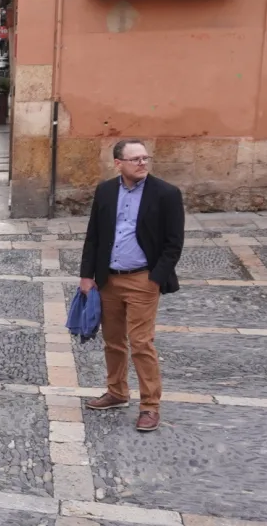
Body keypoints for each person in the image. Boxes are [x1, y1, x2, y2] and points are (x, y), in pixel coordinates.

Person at [79, 139, 184, 433]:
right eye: (135, 159)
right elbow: (94, 236)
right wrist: (87, 275)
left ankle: (150, 406)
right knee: (113, 341)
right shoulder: (106, 191)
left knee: (141, 343)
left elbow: (174, 243)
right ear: (118, 163)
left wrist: (155, 278)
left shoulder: (166, 194)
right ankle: (116, 392)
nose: (142, 163)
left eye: (145, 158)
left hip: (142, 279)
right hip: (108, 279)